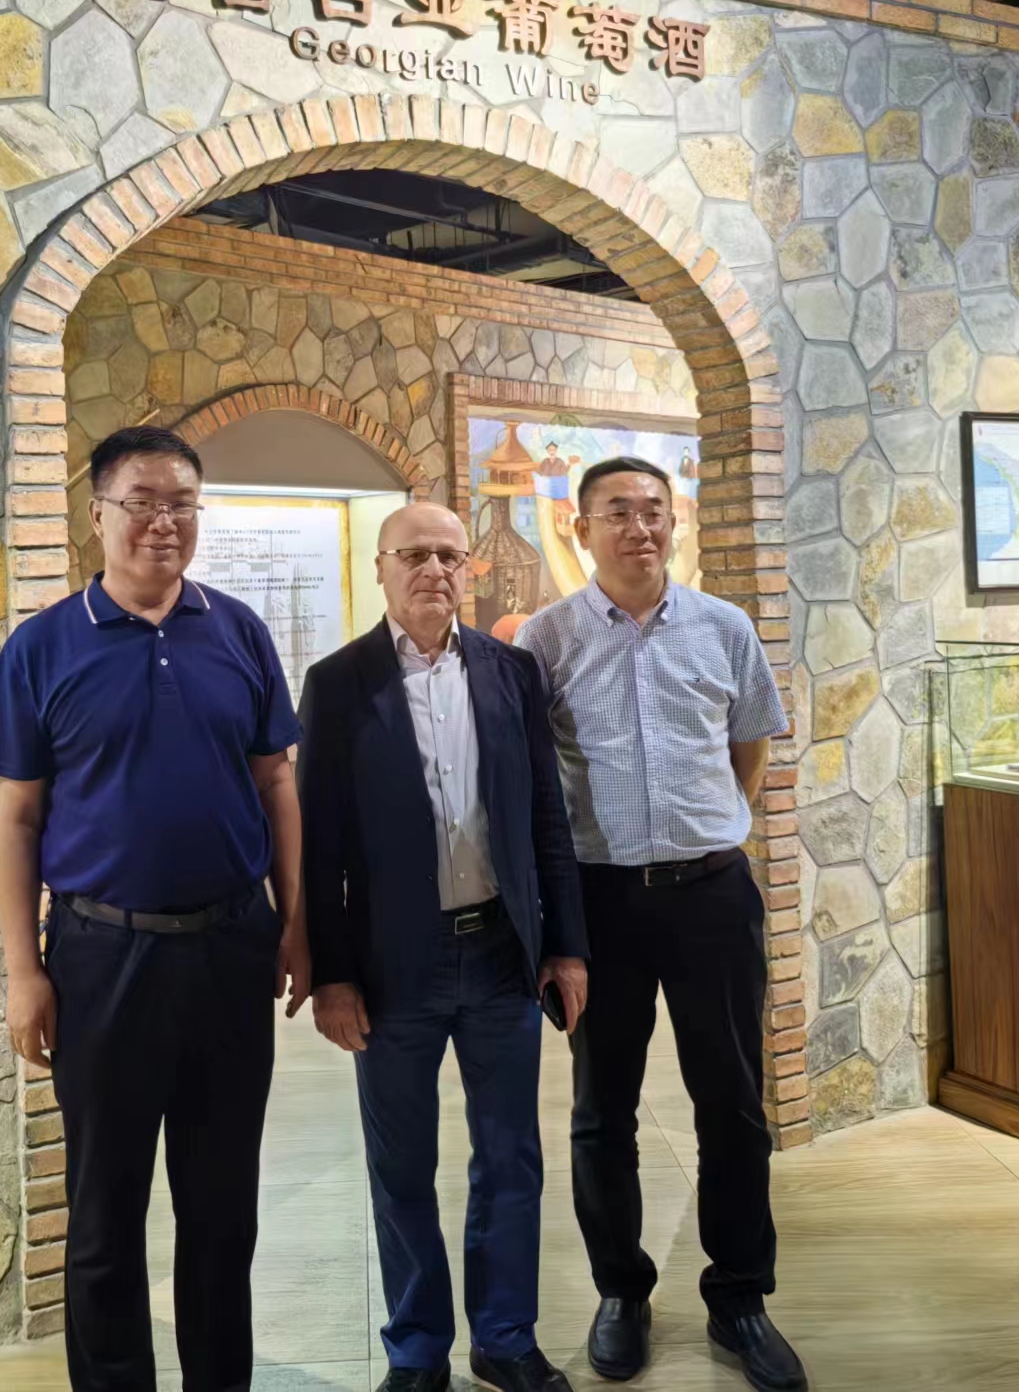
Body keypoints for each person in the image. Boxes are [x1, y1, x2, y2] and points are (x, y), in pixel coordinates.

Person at [0, 425, 309, 1392]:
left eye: (182, 504)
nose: (164, 522)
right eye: (142, 503)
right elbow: (16, 819)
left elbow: (277, 785)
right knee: (105, 1215)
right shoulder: (42, 647)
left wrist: (296, 924)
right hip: (99, 958)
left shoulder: (238, 630)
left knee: (222, 1210)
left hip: (231, 949)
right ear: (98, 516)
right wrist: (24, 973)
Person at [515, 457, 805, 1392]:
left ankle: (741, 1296)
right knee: (603, 1109)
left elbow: (750, 746)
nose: (639, 528)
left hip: (712, 896)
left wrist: (712, 827)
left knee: (733, 1104)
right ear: (581, 528)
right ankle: (621, 1290)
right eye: (618, 512)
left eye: (654, 511)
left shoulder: (725, 628)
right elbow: (533, 774)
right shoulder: (546, 640)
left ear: (674, 524)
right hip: (600, 904)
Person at [297, 501, 588, 1392]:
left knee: (510, 1157)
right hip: (393, 965)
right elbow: (320, 845)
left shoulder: (511, 671)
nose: (434, 570)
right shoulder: (338, 683)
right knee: (401, 1166)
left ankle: (505, 1338)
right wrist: (333, 975)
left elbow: (545, 816)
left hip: (501, 954)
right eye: (414, 555)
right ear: (381, 567)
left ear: (471, 570)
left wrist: (565, 945)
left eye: (450, 557)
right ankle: (417, 1350)